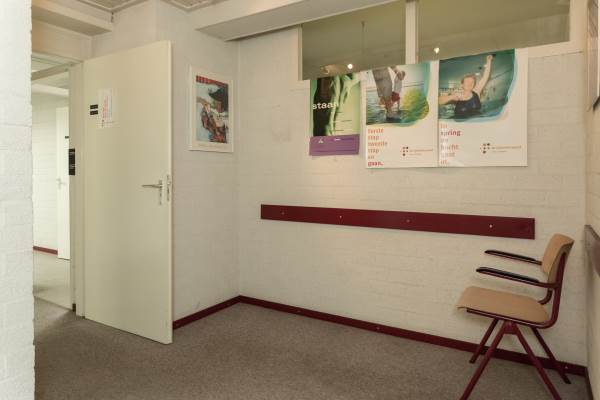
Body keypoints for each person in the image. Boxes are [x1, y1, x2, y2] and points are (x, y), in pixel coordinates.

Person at [439, 54, 493, 119]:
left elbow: (485, 77)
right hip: (461, 123)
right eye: (467, 82)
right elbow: (439, 101)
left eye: (472, 82)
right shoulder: (457, 96)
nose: (470, 84)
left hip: (476, 121)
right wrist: (452, 96)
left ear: (474, 85)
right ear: (462, 84)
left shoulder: (476, 91)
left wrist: (488, 61)